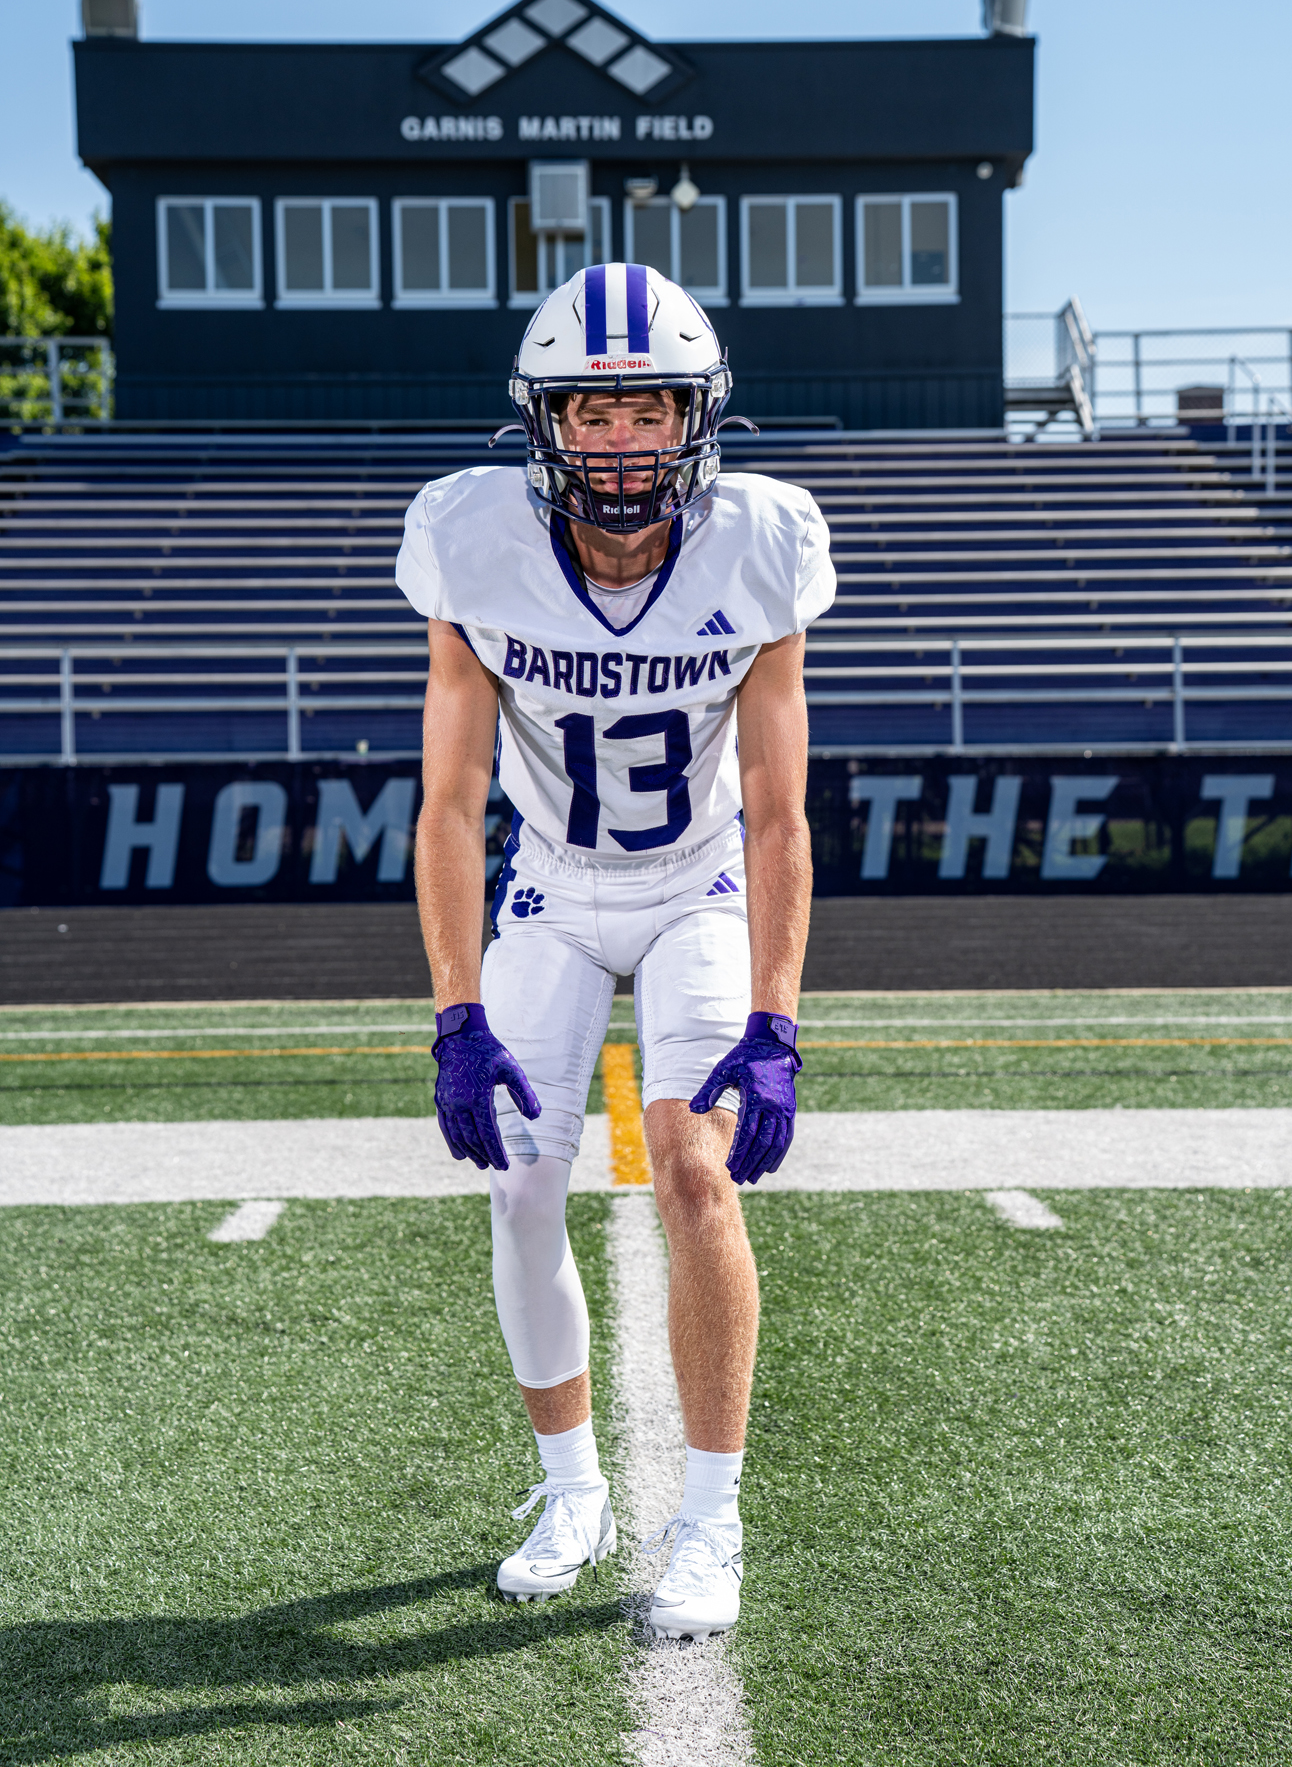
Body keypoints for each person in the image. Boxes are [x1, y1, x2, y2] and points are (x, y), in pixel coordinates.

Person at [396, 262, 834, 1639]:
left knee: (693, 1170)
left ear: (697, 418)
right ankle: (571, 1487)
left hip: (700, 879)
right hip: (554, 884)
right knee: (522, 1188)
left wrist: (777, 1021)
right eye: (594, 413)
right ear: (546, 423)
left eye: (650, 411)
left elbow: (777, 810)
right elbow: (450, 803)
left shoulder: (759, 539)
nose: (625, 441)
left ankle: (710, 1519)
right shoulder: (472, 540)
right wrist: (454, 1014)